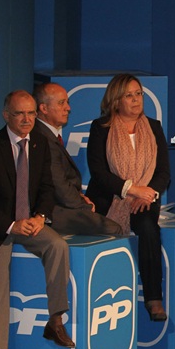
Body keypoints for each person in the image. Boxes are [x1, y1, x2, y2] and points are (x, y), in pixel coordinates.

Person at [0, 90, 75, 349]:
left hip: (31, 223)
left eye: (31, 113)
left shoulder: (40, 144)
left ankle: (55, 320)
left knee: (57, 246)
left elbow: (46, 188)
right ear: (6, 115)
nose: (26, 119)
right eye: (19, 113)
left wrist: (40, 217)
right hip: (0, 229)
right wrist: (11, 225)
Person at [86, 74, 170, 322]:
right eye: (129, 95)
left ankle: (154, 298)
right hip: (108, 200)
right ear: (115, 100)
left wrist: (149, 193)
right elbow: (98, 173)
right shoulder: (100, 128)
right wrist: (132, 190)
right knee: (101, 232)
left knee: (148, 228)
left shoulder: (154, 127)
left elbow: (164, 172)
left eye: (139, 94)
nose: (136, 100)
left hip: (146, 200)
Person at [33, 83, 121, 236]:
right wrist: (83, 206)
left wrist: (82, 200)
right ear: (44, 108)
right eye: (61, 103)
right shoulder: (43, 138)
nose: (68, 108)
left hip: (63, 203)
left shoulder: (49, 135)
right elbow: (58, 184)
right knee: (113, 229)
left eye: (67, 102)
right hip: (52, 209)